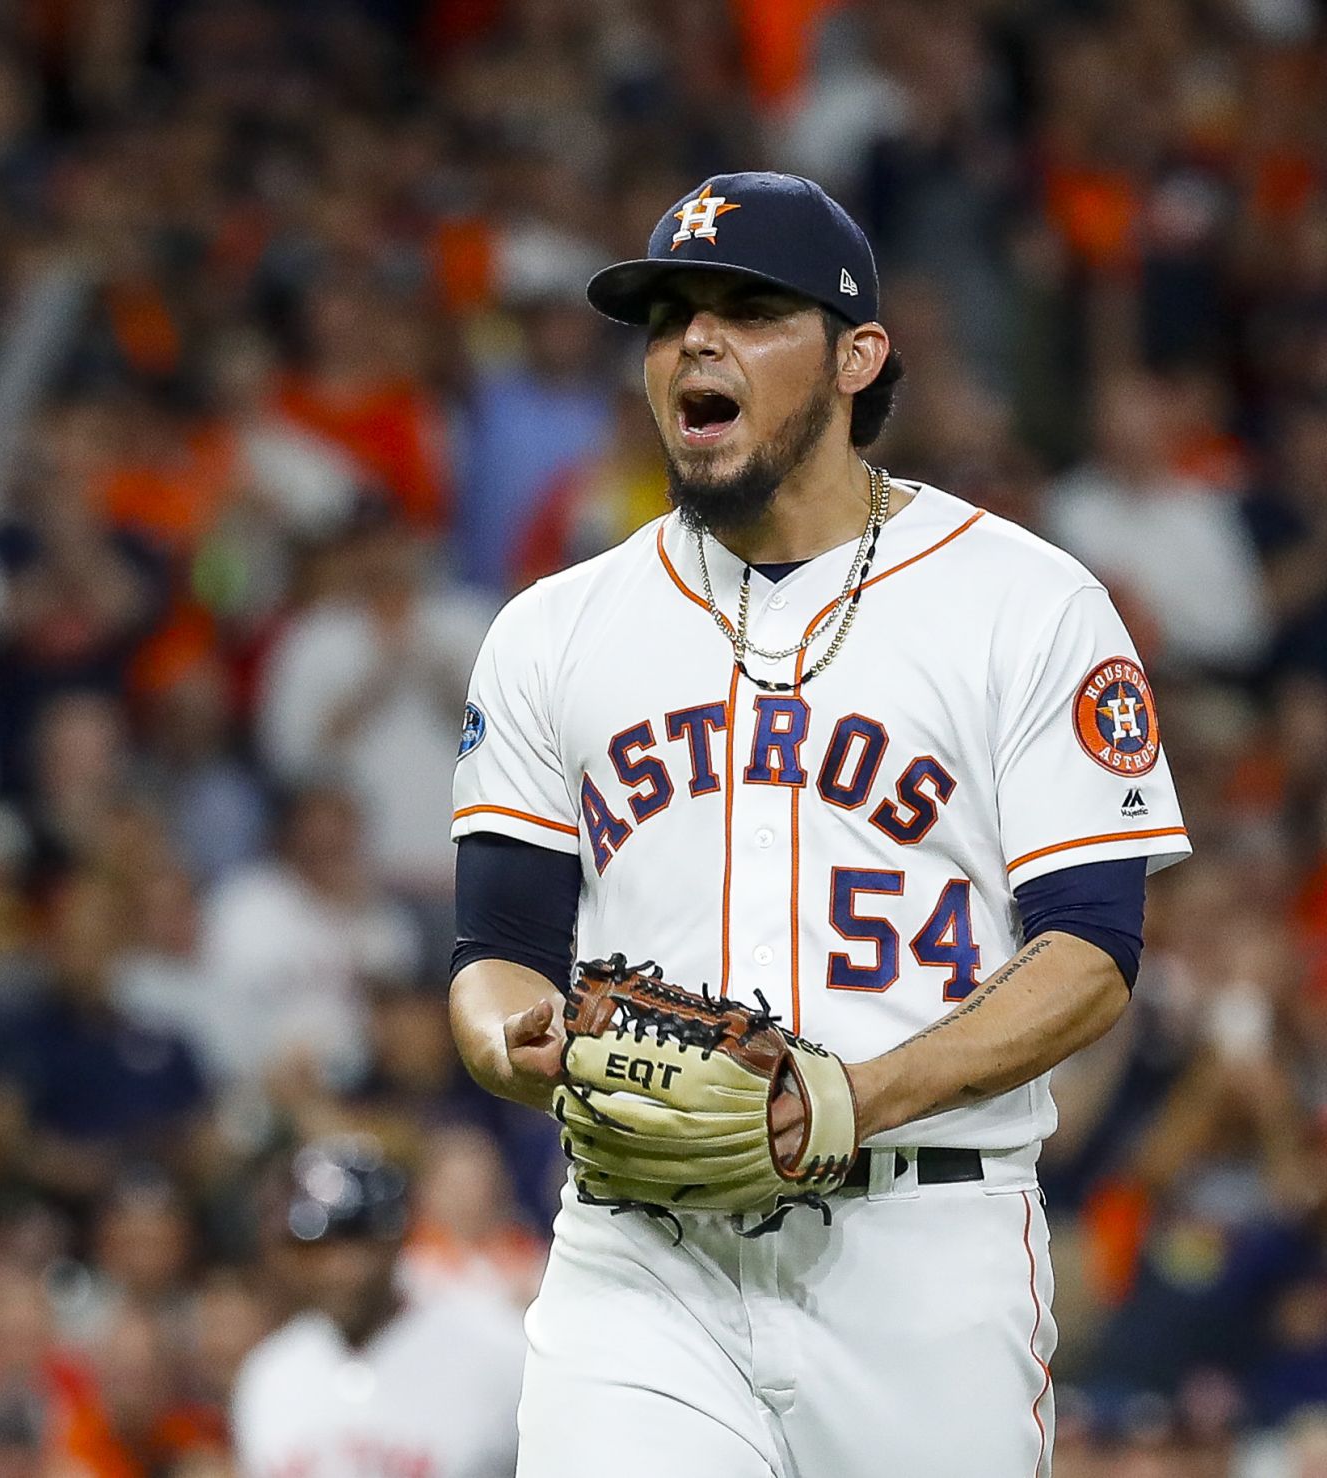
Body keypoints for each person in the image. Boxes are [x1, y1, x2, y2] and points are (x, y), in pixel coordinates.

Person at [447, 173, 1192, 1475]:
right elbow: (495, 947)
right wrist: (518, 1039)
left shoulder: (1025, 603)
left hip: (923, 1248)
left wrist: (854, 1096)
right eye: (670, 313)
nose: (696, 340)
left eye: (749, 308)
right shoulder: (554, 629)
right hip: (644, 1252)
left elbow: (1092, 952)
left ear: (858, 357)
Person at [229, 1137, 523, 1478]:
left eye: (352, 1241)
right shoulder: (269, 1375)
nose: (334, 1269)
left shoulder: (497, 1349)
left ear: (396, 1238)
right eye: (315, 1247)